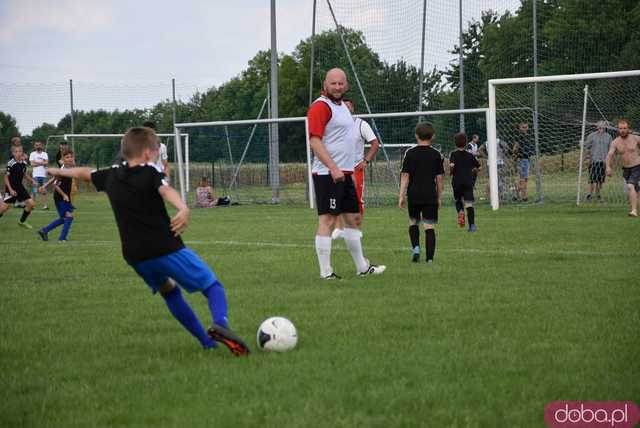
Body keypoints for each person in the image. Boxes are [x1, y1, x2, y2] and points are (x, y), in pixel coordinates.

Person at [46, 127, 249, 355]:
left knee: (170, 292)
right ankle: (220, 323)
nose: (156, 156)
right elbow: (165, 189)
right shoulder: (150, 171)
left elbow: (85, 173)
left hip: (135, 256)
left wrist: (58, 170)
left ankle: (207, 344)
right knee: (212, 286)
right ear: (146, 152)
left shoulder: (111, 175)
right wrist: (182, 207)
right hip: (164, 246)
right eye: (155, 151)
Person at [307, 68, 386, 279]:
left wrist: (348, 170)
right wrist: (333, 168)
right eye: (333, 83)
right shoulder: (320, 107)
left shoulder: (343, 107)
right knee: (328, 220)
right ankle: (326, 273)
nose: (337, 87)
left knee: (353, 219)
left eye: (341, 83)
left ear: (346, 85)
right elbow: (314, 141)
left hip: (345, 173)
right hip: (327, 174)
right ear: (325, 84)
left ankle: (362, 267)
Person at [331, 98, 379, 240]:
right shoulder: (333, 125)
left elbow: (375, 143)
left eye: (348, 106)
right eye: (343, 106)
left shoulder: (360, 124)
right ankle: (339, 228)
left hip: (354, 168)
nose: (346, 108)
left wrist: (366, 161)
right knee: (337, 197)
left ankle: (356, 229)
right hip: (338, 168)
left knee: (356, 200)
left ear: (353, 109)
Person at [398, 122, 444, 263]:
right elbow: (439, 178)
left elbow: (405, 176)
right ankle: (429, 259)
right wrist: (439, 197)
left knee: (413, 222)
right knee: (429, 226)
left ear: (416, 135)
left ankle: (416, 248)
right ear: (433, 136)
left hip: (414, 194)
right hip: (430, 194)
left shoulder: (410, 153)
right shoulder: (436, 154)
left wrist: (401, 195)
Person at [37, 150, 76, 241]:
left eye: (71, 157)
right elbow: (55, 184)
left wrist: (44, 186)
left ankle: (44, 231)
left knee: (63, 219)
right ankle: (62, 238)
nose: (70, 159)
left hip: (64, 196)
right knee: (69, 217)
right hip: (60, 197)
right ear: (63, 159)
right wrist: (64, 195)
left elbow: (54, 178)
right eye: (67, 157)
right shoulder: (63, 170)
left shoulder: (69, 167)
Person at [606, 119, 640, 217]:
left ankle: (633, 211)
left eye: (624, 128)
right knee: (636, 191)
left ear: (628, 128)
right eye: (621, 128)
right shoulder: (615, 142)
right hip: (626, 169)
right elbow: (609, 155)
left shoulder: (635, 138)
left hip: (637, 166)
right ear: (618, 129)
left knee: (630, 186)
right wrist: (608, 167)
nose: (623, 130)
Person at [0, 144, 37, 228]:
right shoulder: (11, 163)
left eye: (20, 151)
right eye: (16, 151)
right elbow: (6, 178)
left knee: (31, 204)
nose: (18, 153)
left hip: (20, 187)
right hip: (11, 189)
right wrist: (10, 190)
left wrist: (32, 180)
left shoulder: (24, 163)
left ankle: (22, 222)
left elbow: (24, 174)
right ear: (13, 153)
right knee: (4, 208)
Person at [449, 133, 480, 232]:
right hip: (467, 181)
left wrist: (451, 171)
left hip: (457, 181)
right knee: (469, 203)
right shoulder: (470, 155)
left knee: (458, 200)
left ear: (455, 143)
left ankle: (460, 211)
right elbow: (479, 166)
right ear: (466, 143)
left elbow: (452, 165)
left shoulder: (453, 154)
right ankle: (472, 226)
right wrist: (474, 171)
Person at [584, 121, 612, 201]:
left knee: (600, 180)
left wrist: (609, 162)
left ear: (605, 128)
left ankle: (598, 195)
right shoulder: (591, 136)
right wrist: (587, 157)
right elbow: (587, 147)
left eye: (603, 127)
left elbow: (611, 150)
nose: (601, 129)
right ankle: (589, 195)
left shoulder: (608, 137)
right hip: (593, 160)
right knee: (592, 179)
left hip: (603, 161)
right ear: (597, 127)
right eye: (599, 127)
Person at [512, 122, 533, 201]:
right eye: (523, 127)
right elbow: (515, 148)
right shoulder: (519, 137)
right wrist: (515, 156)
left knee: (525, 178)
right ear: (519, 128)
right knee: (523, 178)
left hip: (527, 159)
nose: (525, 128)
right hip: (521, 160)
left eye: (526, 127)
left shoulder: (528, 137)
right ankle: (524, 196)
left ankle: (516, 195)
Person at [29, 141, 49, 210]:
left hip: (44, 175)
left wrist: (36, 162)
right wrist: (42, 162)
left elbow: (46, 163)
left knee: (43, 191)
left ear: (42, 146)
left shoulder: (45, 154)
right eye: (36, 145)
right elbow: (32, 164)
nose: (38, 146)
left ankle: (45, 206)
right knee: (34, 191)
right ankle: (32, 205)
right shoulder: (32, 154)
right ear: (34, 146)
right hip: (35, 175)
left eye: (39, 145)